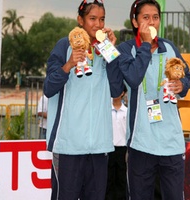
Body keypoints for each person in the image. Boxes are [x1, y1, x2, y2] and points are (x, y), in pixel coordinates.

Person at [107, 1, 190, 199]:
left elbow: (186, 75)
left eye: (155, 17)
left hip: (171, 143)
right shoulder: (126, 50)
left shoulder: (169, 47)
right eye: (145, 18)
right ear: (135, 22)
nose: (151, 22)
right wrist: (145, 45)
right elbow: (134, 79)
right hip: (141, 143)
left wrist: (183, 85)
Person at [43, 1, 117, 199]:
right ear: (80, 20)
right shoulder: (63, 46)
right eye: (92, 19)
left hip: (99, 145)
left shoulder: (105, 49)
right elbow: (48, 88)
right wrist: (69, 64)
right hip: (69, 145)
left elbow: (117, 89)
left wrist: (111, 53)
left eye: (102, 19)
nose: (98, 25)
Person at [106, 87, 128, 200]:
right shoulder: (106, 110)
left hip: (122, 149)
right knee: (108, 178)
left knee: (121, 177)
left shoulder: (127, 111)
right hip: (108, 148)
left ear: (123, 93)